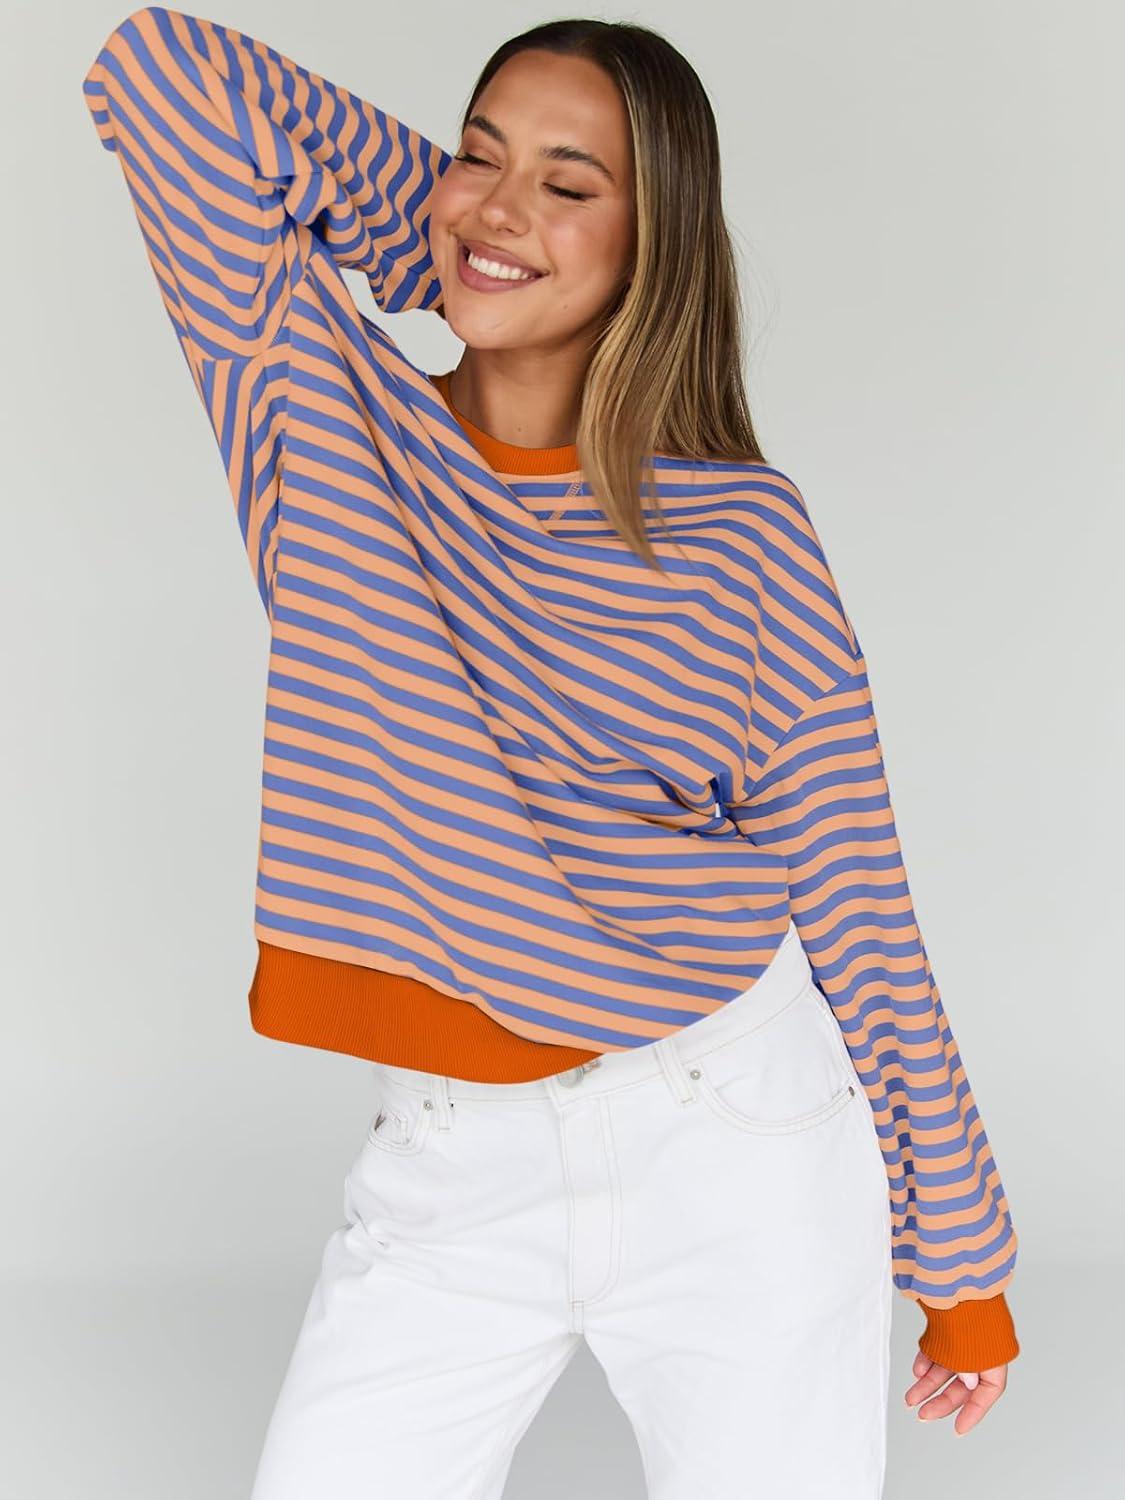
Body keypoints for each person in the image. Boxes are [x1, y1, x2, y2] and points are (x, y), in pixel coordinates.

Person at [82, 8, 1020, 1495]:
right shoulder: (319, 421)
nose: (504, 198)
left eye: (571, 182)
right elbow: (163, 78)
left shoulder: (740, 535)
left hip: (731, 1135)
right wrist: (467, 235)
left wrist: (957, 1257)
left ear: (658, 245)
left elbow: (857, 892)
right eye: (481, 154)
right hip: (451, 1167)